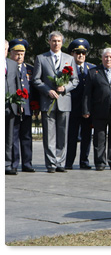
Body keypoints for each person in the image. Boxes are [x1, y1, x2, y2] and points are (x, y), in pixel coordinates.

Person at [32, 31, 79, 173]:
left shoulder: (69, 59)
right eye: (53, 41)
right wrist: (47, 90)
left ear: (62, 43)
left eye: (58, 41)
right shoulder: (41, 58)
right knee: (49, 135)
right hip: (48, 101)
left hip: (64, 101)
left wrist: (65, 88)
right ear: (49, 42)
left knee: (63, 134)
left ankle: (60, 162)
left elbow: (75, 80)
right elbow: (36, 79)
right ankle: (51, 164)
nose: (56, 43)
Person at [65, 38, 95, 170]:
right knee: (71, 137)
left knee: (86, 137)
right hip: (72, 108)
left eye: (83, 53)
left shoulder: (92, 68)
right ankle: (69, 162)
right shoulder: (67, 68)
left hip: (87, 109)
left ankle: (84, 161)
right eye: (77, 53)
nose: (80, 56)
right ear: (72, 54)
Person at [9, 39, 38, 173]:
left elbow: (34, 89)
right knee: (13, 137)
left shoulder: (30, 69)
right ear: (11, 54)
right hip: (13, 108)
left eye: (22, 53)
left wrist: (35, 106)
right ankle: (14, 164)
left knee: (27, 137)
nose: (19, 56)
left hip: (27, 108)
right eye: (16, 53)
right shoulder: (8, 68)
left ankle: (27, 163)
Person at [5, 40, 22, 175]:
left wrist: (19, 103)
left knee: (9, 137)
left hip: (10, 105)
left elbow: (18, 85)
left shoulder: (12, 64)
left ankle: (7, 164)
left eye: (5, 49)